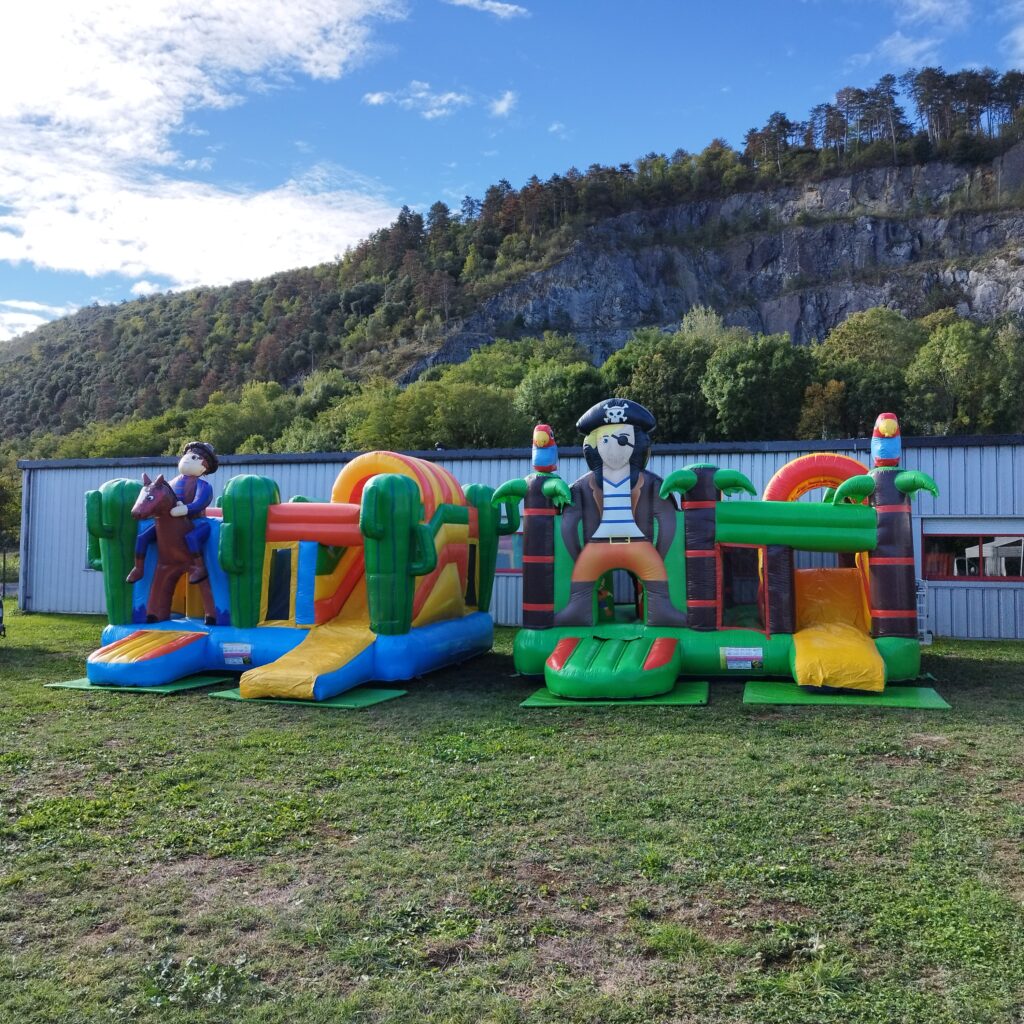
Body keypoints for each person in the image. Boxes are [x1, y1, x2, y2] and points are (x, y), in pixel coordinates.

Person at [557, 399, 685, 627]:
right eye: (605, 441)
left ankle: (662, 612)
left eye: (622, 440)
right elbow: (568, 523)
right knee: (582, 581)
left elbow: (667, 520)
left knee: (655, 579)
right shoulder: (584, 486)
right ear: (594, 447)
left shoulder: (649, 483)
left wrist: (659, 553)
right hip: (598, 543)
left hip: (637, 542)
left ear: (637, 445)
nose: (613, 447)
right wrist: (578, 555)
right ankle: (576, 613)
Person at [127, 441, 219, 585]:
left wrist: (186, 509)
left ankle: (199, 567)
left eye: (195, 458)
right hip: (171, 520)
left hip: (196, 521)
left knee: (192, 538)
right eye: (187, 456)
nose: (188, 459)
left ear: (204, 467)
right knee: (143, 537)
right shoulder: (170, 483)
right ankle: (138, 568)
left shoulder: (203, 485)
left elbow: (200, 502)